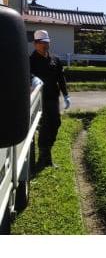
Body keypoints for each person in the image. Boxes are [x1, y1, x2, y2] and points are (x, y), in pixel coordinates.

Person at [29, 29, 71, 168]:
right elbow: (27, 78)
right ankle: (44, 159)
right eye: (42, 43)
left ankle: (46, 154)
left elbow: (61, 78)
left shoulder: (55, 59)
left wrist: (66, 95)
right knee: (45, 127)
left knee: (56, 123)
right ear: (35, 44)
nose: (45, 46)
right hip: (39, 100)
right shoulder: (30, 61)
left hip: (53, 97)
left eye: (47, 43)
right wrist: (33, 79)